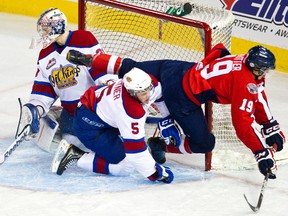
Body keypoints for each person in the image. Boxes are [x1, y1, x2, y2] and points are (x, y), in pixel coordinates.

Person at [65, 43, 286, 179]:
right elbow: (242, 123)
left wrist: (268, 124)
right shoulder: (244, 81)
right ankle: (161, 145)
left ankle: (93, 60)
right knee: (204, 144)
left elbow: (257, 94)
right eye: (264, 70)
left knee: (133, 68)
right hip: (182, 96)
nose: (265, 74)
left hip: (176, 68)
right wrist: (260, 151)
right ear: (255, 68)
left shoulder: (244, 63)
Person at [16, 8, 117, 153]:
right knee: (70, 142)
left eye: (46, 29)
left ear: (57, 26)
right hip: (71, 115)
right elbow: (43, 88)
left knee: (108, 146)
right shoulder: (45, 55)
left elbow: (99, 67)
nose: (43, 33)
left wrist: (111, 86)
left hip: (94, 111)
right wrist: (35, 109)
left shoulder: (83, 39)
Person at [51, 68, 174, 184]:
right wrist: (156, 173)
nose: (148, 95)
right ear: (132, 93)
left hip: (97, 109)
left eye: (148, 89)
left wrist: (166, 118)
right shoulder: (130, 110)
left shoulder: (144, 83)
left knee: (136, 148)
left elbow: (158, 93)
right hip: (89, 126)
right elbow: (135, 153)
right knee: (126, 167)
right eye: (142, 93)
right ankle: (78, 156)